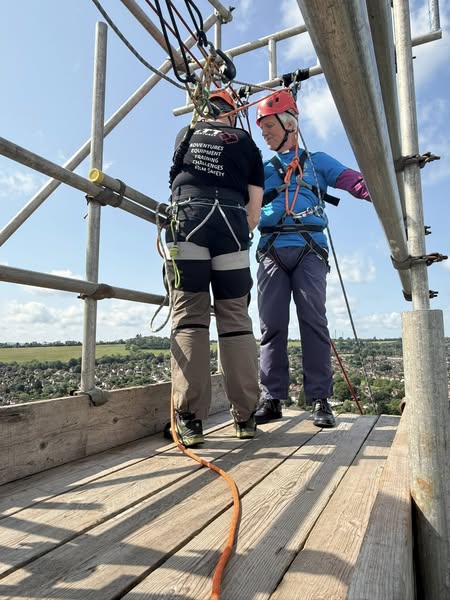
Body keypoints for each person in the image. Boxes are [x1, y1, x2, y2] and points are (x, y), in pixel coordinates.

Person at [253, 89, 371, 428]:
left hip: (309, 248)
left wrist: (385, 191)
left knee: (313, 321)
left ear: (290, 124)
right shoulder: (261, 170)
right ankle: (272, 397)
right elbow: (239, 199)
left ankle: (320, 399)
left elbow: (354, 182)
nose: (264, 133)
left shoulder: (317, 162)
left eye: (269, 126)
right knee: (271, 326)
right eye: (261, 128)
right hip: (272, 248)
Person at [165, 89, 264, 447]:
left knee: (190, 317)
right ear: (232, 114)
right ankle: (245, 416)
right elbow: (254, 214)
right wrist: (237, 231)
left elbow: (175, 180)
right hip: (232, 224)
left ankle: (190, 419)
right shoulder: (247, 143)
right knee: (235, 319)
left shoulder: (186, 134)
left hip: (188, 219)